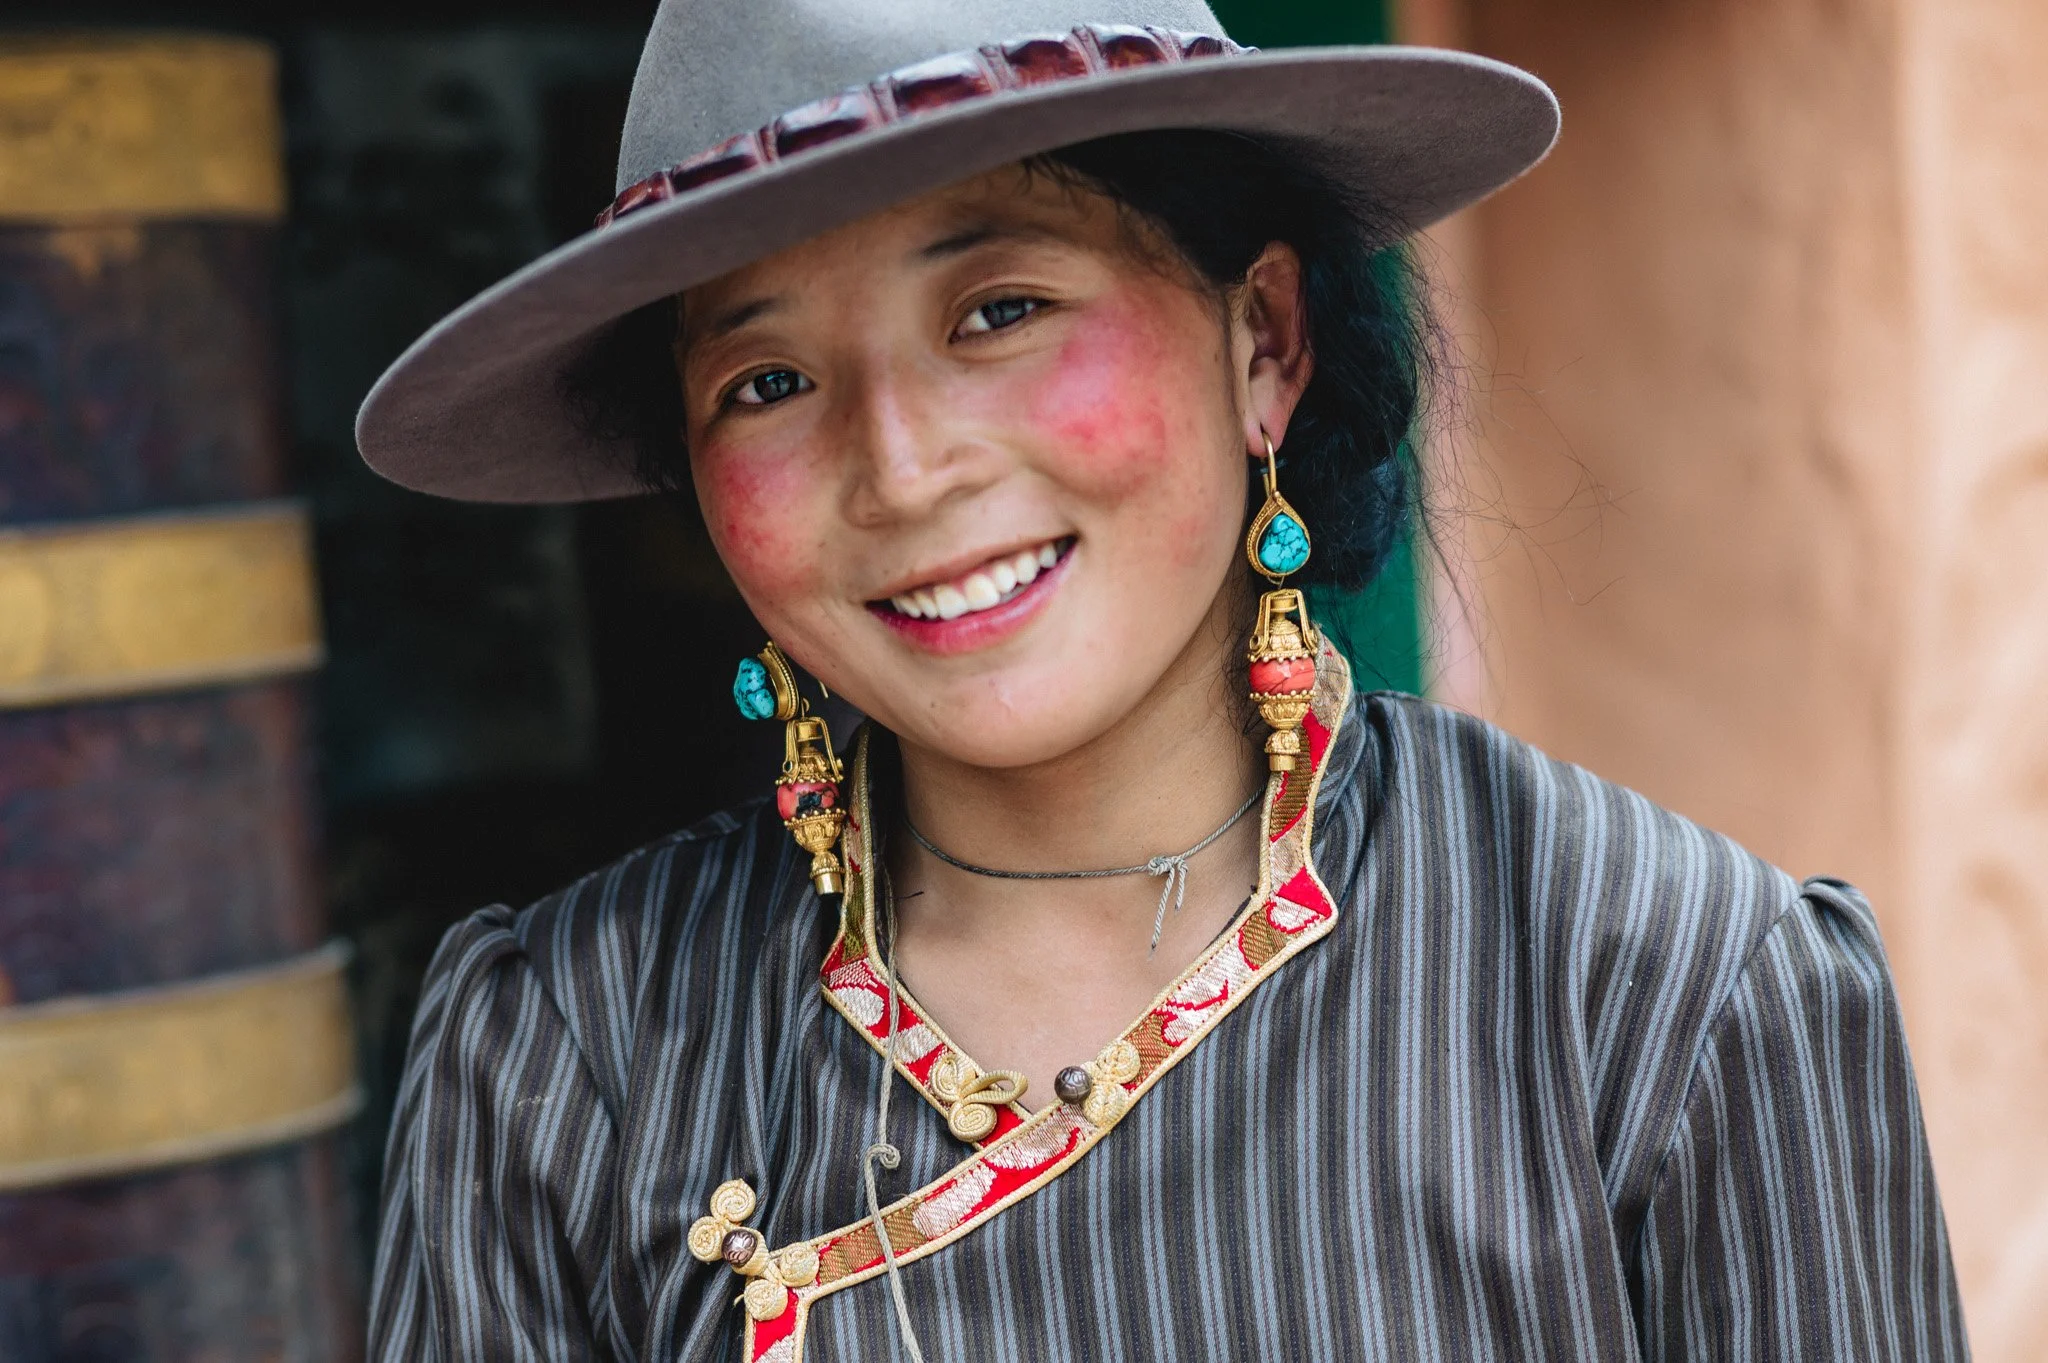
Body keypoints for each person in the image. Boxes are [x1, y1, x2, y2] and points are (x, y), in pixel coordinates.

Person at [355, 2, 1969, 1359]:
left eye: (1000, 308)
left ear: (1261, 338)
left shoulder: (1667, 993)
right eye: (767, 379)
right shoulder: (568, 1053)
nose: (902, 466)